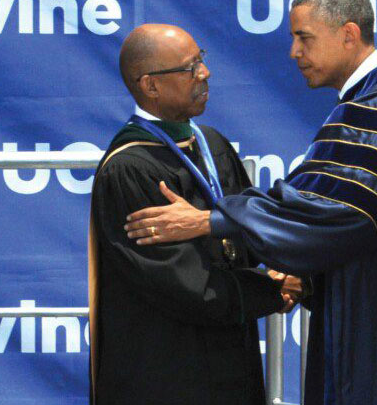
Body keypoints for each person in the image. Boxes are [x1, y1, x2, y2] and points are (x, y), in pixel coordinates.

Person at [124, 0, 377, 405]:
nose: (294, 53)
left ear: (348, 34)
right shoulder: (368, 106)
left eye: (304, 38)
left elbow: (338, 213)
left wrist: (210, 220)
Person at [88, 23, 303, 405]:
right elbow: (183, 285)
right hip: (167, 373)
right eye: (189, 68)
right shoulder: (131, 169)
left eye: (201, 59)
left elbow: (246, 235)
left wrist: (292, 263)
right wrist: (273, 291)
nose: (205, 73)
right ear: (150, 85)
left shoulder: (211, 144)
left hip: (229, 360)